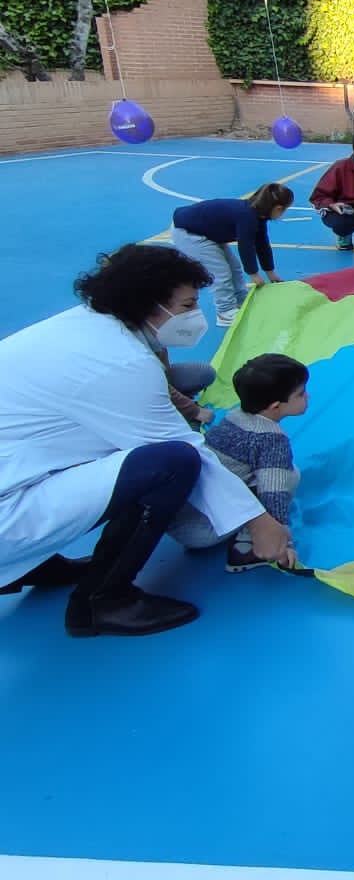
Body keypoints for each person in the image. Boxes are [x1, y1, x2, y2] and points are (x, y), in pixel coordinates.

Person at [0, 245, 295, 635]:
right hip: (8, 507)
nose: (195, 315)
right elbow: (185, 449)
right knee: (171, 463)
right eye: (187, 305)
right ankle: (101, 602)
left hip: (15, 470)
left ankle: (35, 563)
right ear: (147, 304)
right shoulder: (121, 363)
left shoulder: (81, 325)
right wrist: (259, 521)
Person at [201, 354, 309, 573]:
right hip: (209, 526)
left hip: (194, 510)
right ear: (276, 406)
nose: (307, 396)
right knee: (290, 475)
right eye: (300, 394)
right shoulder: (271, 440)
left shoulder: (234, 416)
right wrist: (281, 543)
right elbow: (274, 493)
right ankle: (246, 548)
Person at [170, 182, 294, 327]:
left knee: (234, 267)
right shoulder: (247, 217)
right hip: (190, 234)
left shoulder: (258, 215)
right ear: (278, 208)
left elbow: (262, 244)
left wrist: (270, 272)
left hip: (209, 232)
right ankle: (225, 312)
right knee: (220, 272)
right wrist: (253, 274)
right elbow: (246, 246)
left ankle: (241, 301)